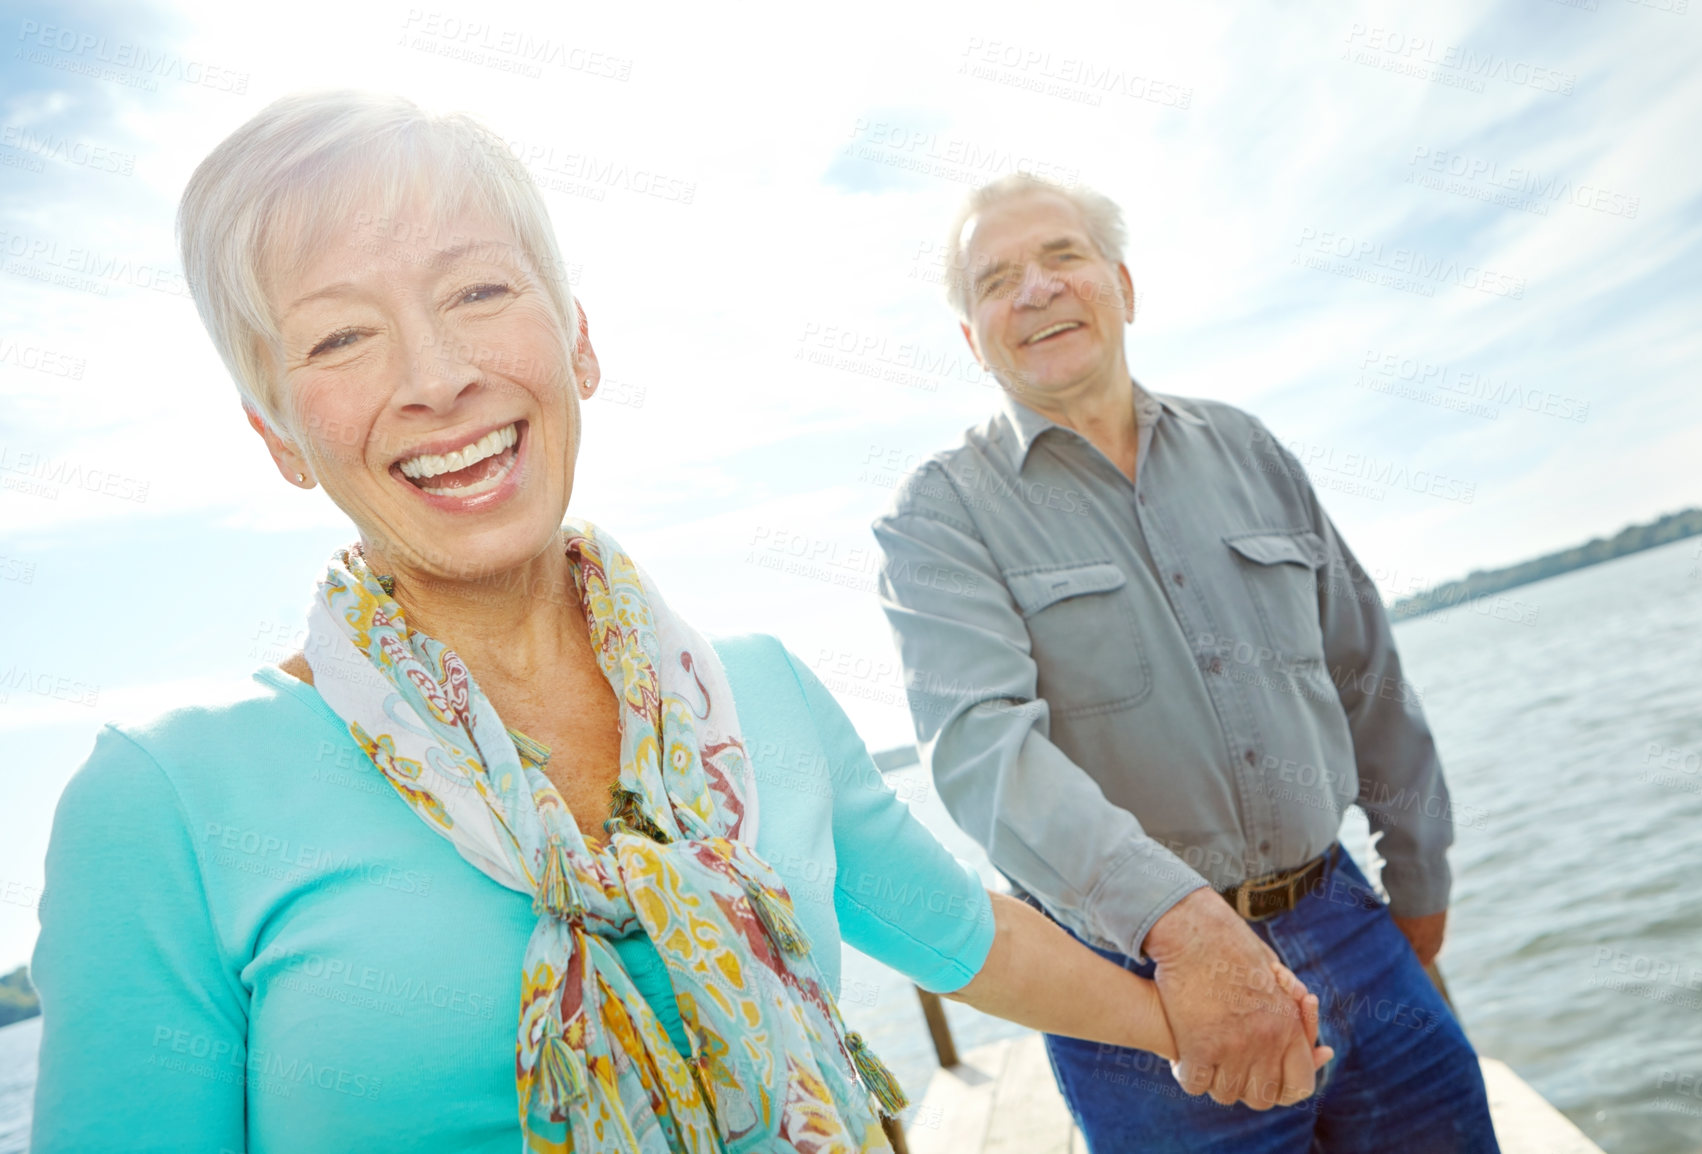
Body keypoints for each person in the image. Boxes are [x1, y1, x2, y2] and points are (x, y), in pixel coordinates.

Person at [27, 95, 1329, 1154]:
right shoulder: (165, 798)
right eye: (342, 338)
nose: (437, 378)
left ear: (579, 341)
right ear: (278, 436)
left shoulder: (759, 693)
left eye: (477, 294)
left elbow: (958, 933)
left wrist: (1193, 1009)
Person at [871, 173, 1500, 1152]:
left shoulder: (1247, 448)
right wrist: (1183, 927)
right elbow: (982, 753)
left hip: (1351, 925)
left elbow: (1366, 671)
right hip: (1138, 989)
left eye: (1063, 256)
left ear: (1122, 286)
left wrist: (1419, 881)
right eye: (996, 279)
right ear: (970, 336)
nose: (1034, 288)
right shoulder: (940, 514)